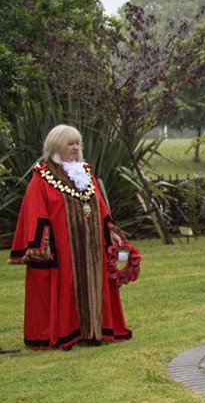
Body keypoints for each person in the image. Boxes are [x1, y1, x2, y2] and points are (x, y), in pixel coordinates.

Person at [8, 124, 132, 350]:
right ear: (56, 145)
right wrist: (42, 246)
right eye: (70, 143)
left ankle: (94, 330)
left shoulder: (85, 172)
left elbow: (100, 206)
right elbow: (35, 211)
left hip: (91, 246)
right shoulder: (42, 176)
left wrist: (110, 231)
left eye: (78, 143)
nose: (76, 147)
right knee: (67, 285)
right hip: (63, 248)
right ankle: (70, 333)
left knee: (94, 281)